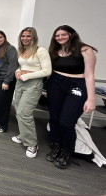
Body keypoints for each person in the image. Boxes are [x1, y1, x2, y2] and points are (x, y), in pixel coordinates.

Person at [46, 25, 97, 169]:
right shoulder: (55, 50)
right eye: (57, 35)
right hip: (55, 84)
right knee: (54, 118)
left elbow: (90, 75)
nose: (60, 37)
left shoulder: (85, 50)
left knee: (66, 121)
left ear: (71, 34)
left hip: (77, 85)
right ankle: (56, 146)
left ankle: (68, 152)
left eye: (63, 34)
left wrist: (91, 99)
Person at [12, 27, 52, 158]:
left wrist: (26, 75)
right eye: (23, 36)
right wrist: (18, 71)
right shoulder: (22, 50)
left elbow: (47, 71)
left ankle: (32, 143)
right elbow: (20, 65)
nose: (25, 38)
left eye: (28, 36)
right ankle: (23, 134)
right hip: (20, 83)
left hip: (33, 84)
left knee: (24, 113)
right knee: (18, 110)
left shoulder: (41, 51)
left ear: (33, 37)